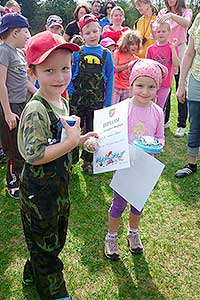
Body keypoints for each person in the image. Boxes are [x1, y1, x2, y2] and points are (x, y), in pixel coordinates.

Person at [18, 30, 97, 300]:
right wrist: (71, 142)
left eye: (65, 68)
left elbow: (64, 138)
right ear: (33, 73)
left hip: (59, 188)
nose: (60, 77)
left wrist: (81, 139)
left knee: (53, 239)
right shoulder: (36, 110)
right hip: (39, 193)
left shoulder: (62, 101)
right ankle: (55, 293)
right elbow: (33, 154)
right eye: (49, 70)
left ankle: (32, 270)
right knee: (47, 246)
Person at [104, 58, 167, 261]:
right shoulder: (122, 108)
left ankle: (133, 233)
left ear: (157, 88)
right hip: (124, 164)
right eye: (139, 85)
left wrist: (157, 145)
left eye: (151, 87)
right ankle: (111, 237)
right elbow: (110, 134)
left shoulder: (157, 112)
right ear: (131, 85)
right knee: (118, 204)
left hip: (144, 165)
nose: (145, 91)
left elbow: (160, 138)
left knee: (137, 205)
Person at [69, 14, 114, 174]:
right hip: (77, 101)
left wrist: (107, 103)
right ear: (82, 35)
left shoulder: (106, 54)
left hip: (97, 102)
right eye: (87, 33)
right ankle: (70, 159)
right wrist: (70, 91)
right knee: (73, 130)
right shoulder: (76, 53)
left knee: (92, 131)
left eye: (95, 31)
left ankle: (88, 160)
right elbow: (70, 74)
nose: (92, 35)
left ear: (100, 30)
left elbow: (110, 79)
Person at [0, 13, 31, 199]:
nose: (28, 36)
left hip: (21, 104)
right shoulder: (3, 51)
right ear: (15, 32)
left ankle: (21, 177)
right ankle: (12, 182)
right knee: (13, 147)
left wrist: (39, 94)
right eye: (26, 32)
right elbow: (1, 83)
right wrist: (8, 112)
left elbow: (24, 81)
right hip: (9, 106)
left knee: (22, 144)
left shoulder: (18, 53)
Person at [157, 0, 192, 137]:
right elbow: (158, 28)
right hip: (165, 49)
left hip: (181, 49)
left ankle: (181, 124)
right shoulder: (162, 12)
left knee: (181, 85)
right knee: (165, 86)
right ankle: (164, 121)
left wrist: (172, 16)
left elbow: (187, 23)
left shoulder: (186, 11)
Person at [175, 13, 200, 178]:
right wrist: (181, 83)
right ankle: (192, 164)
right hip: (197, 78)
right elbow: (189, 53)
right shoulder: (199, 19)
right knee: (195, 124)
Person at [146, 21, 179, 109]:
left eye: (163, 31)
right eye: (158, 31)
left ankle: (159, 122)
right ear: (155, 33)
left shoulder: (172, 47)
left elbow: (176, 64)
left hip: (165, 84)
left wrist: (172, 49)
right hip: (151, 83)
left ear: (169, 32)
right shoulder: (151, 49)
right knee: (148, 105)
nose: (161, 33)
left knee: (159, 107)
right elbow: (147, 67)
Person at [112, 29, 140, 104]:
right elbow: (115, 69)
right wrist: (128, 64)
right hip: (116, 86)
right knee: (113, 108)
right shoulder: (118, 53)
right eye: (131, 44)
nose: (134, 47)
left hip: (127, 88)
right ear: (126, 44)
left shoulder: (136, 59)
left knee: (124, 110)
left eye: (136, 44)